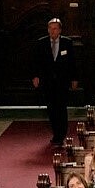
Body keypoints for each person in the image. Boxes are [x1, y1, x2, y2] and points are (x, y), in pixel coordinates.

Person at [31, 17, 76, 145]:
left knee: (61, 107)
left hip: (63, 81)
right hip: (47, 81)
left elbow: (73, 62)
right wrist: (35, 76)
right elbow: (36, 62)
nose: (52, 31)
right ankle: (56, 133)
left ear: (60, 30)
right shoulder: (41, 43)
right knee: (51, 108)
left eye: (55, 28)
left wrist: (74, 78)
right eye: (50, 28)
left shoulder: (67, 43)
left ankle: (62, 134)